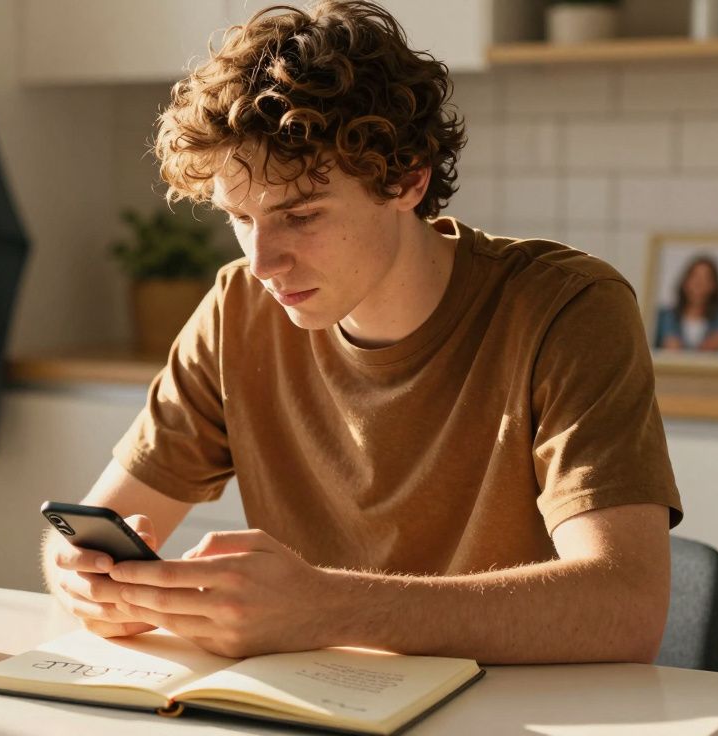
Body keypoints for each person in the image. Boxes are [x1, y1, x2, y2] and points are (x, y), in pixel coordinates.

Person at [42, 0, 682, 665]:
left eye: (302, 215)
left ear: (406, 178)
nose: (262, 262)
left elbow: (626, 605)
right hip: (322, 707)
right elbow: (93, 529)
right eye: (240, 218)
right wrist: (84, 580)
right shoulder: (238, 309)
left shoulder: (567, 309)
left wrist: (324, 607)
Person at [656, 255, 718, 352]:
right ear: (685, 282)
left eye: (706, 279)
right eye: (695, 277)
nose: (699, 284)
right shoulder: (665, 316)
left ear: (714, 286)